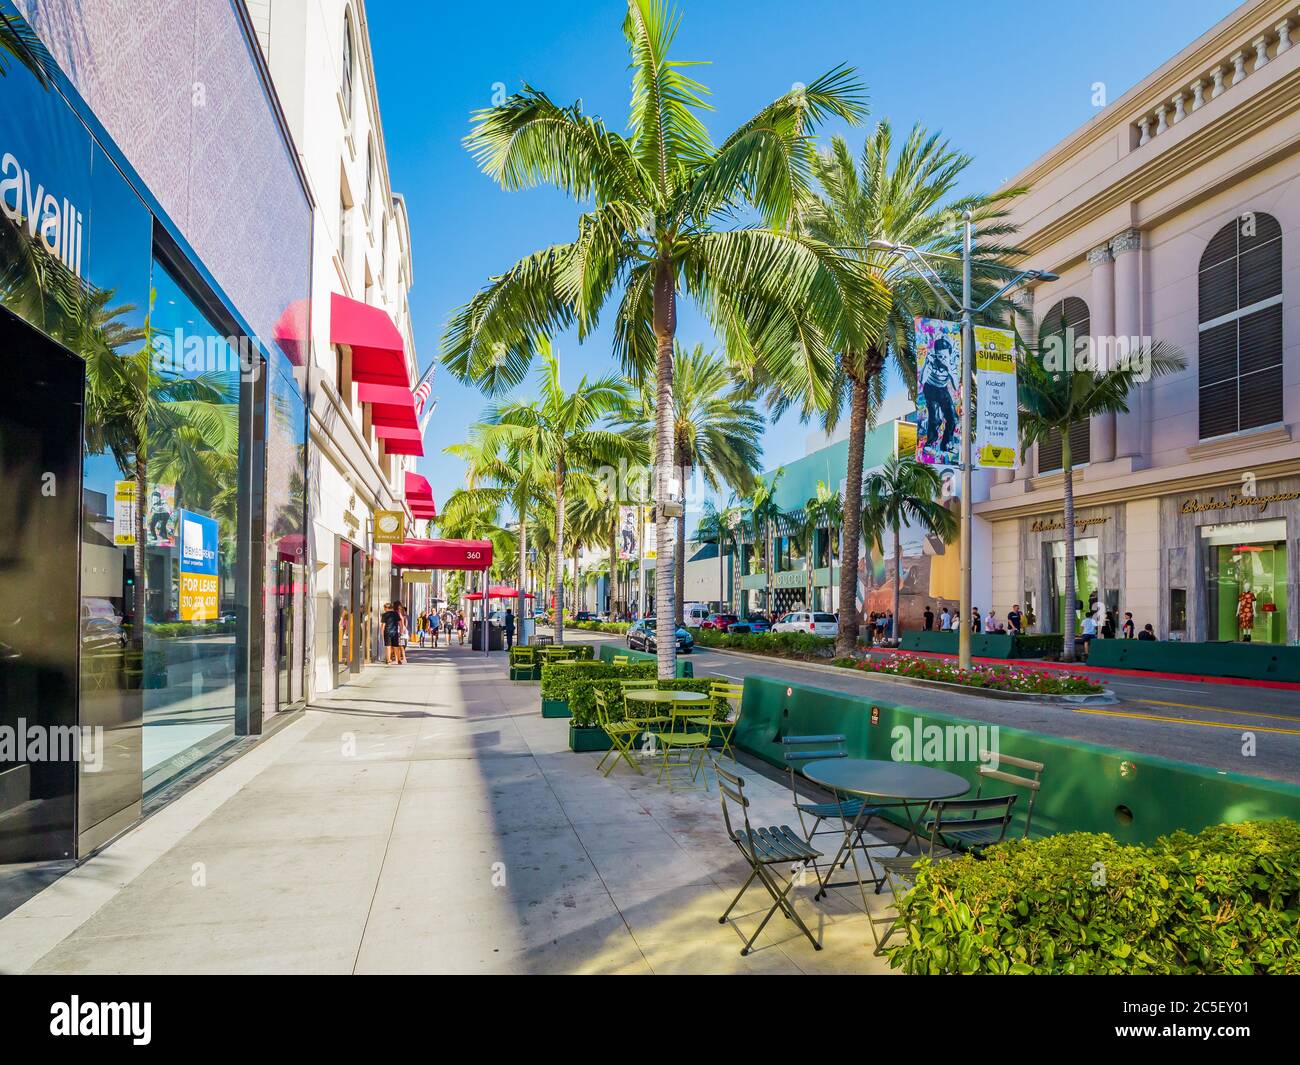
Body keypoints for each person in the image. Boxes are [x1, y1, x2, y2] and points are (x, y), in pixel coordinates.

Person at [921, 335, 959, 459]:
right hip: (930, 389)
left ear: (949, 355)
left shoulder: (951, 364)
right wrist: (927, 364)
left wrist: (948, 368)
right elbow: (922, 380)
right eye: (939, 356)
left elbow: (956, 386)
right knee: (935, 417)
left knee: (953, 418)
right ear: (935, 354)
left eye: (945, 356)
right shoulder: (932, 362)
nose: (942, 359)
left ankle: (946, 443)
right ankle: (930, 443)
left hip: (943, 390)